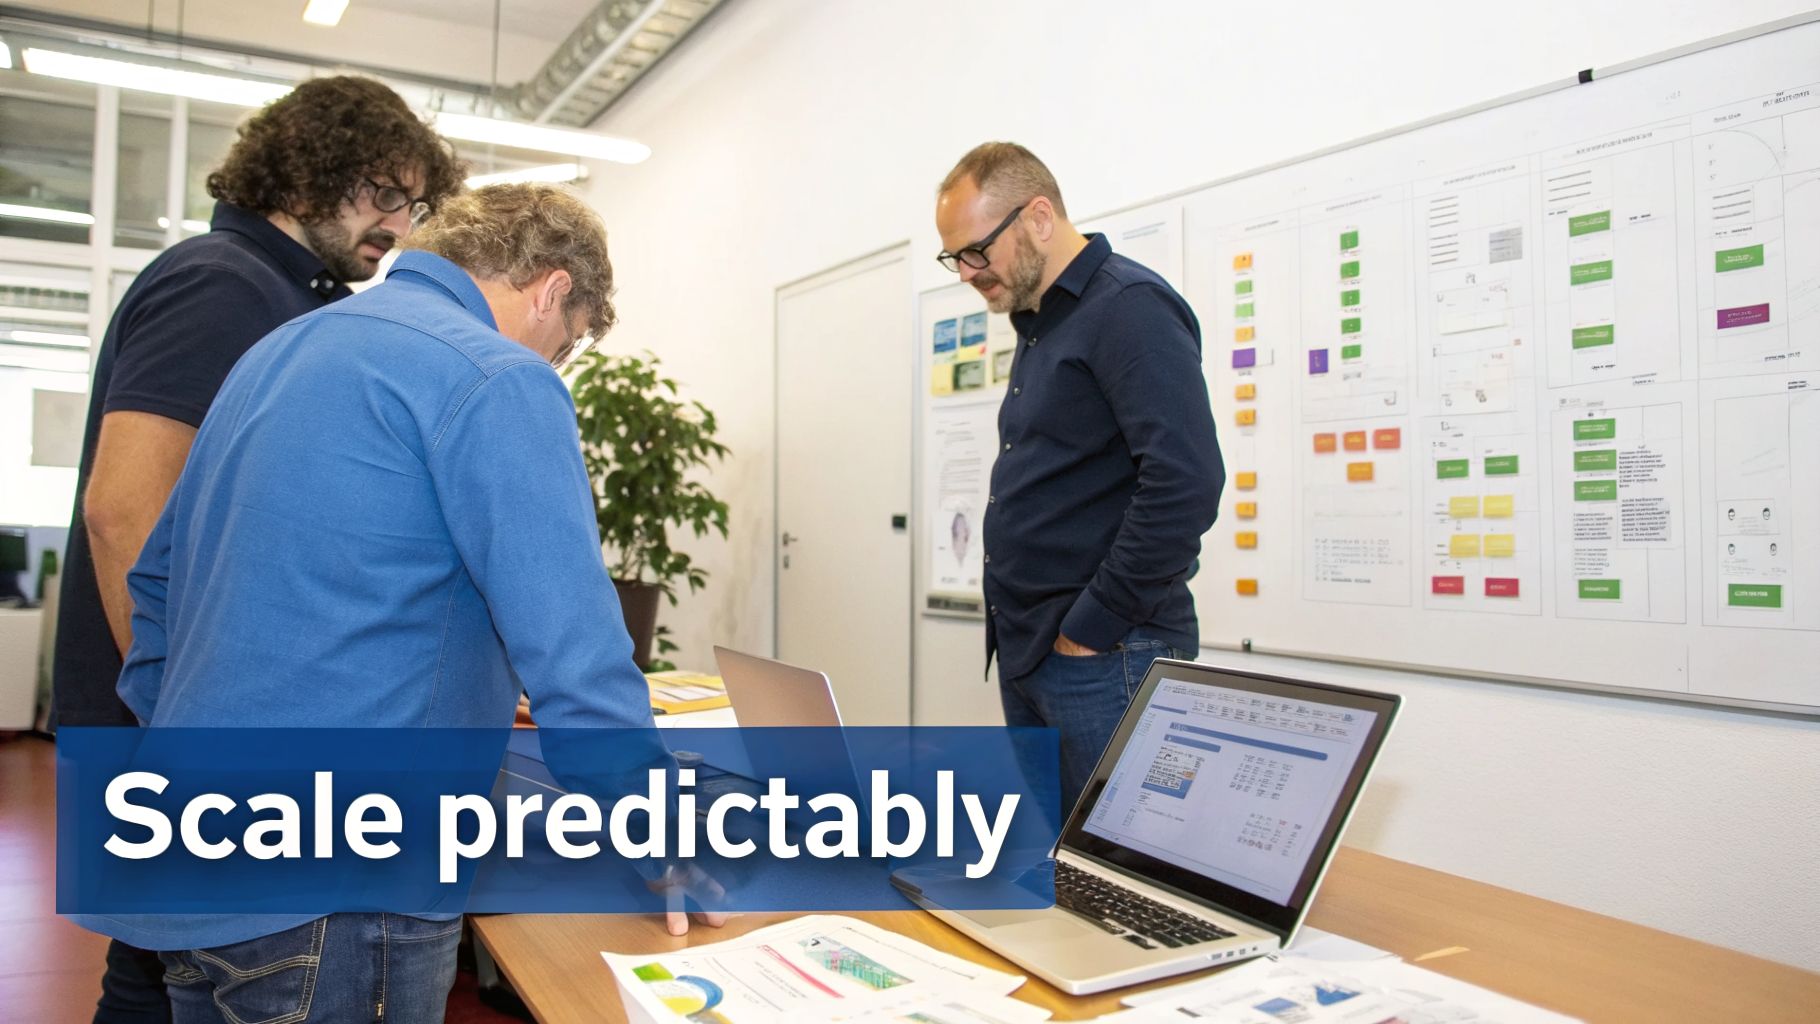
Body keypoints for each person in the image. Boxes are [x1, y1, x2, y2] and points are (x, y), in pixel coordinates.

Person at [76, 184, 718, 1023]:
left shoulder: (275, 355)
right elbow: (576, 649)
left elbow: (157, 587)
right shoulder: (496, 375)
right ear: (553, 290)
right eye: (570, 343)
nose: (557, 360)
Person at [51, 75, 463, 1024]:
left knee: (160, 970)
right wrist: (178, 712)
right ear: (312, 174)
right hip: (172, 722)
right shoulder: (223, 284)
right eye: (384, 194)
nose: (398, 226)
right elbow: (124, 511)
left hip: (193, 723)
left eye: (412, 203)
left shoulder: (286, 296)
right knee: (161, 974)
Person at [934, 143, 1224, 814]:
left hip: (1107, 654)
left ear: (1038, 217)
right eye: (956, 258)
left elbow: (1185, 482)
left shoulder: (1130, 307)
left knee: (1125, 873)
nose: (968, 273)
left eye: (977, 250)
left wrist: (1091, 626)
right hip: (1036, 649)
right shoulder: (1042, 323)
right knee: (1060, 877)